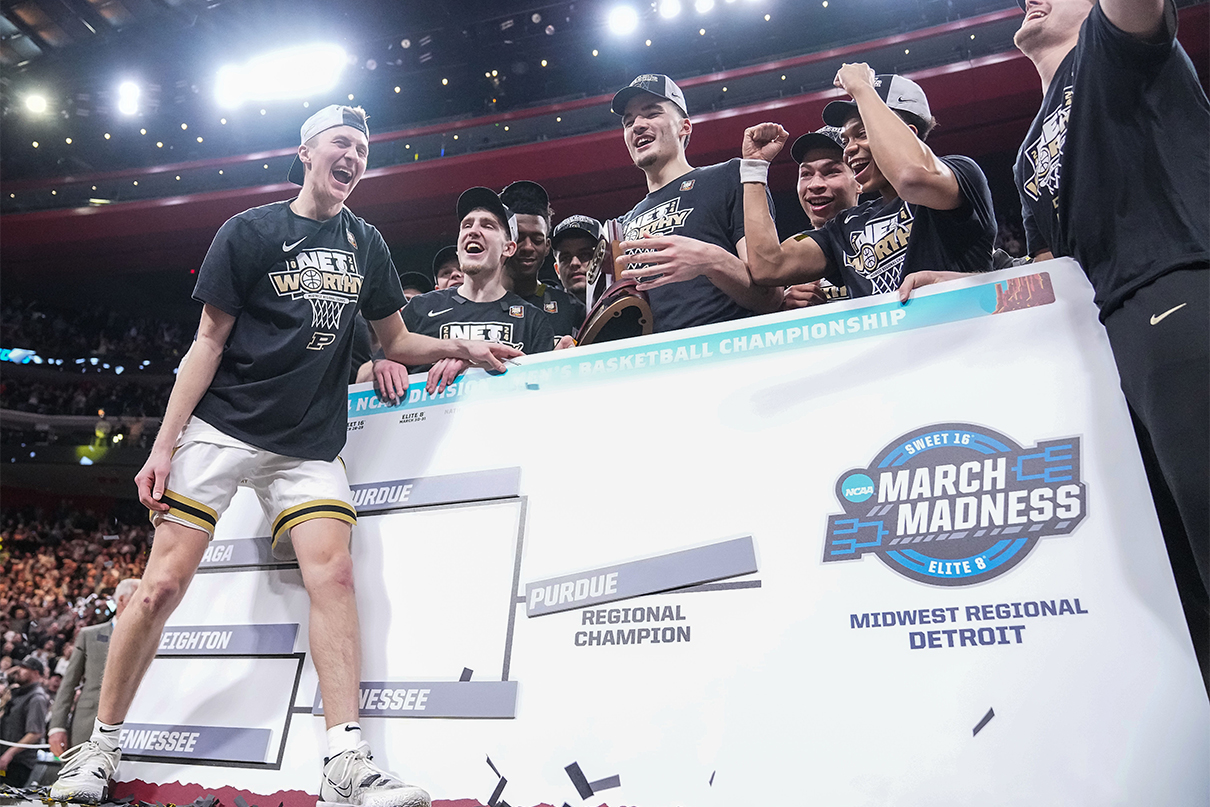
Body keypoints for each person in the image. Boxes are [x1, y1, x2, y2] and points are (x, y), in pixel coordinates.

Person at [49, 104, 519, 805]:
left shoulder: (368, 243)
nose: (354, 156)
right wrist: (163, 444)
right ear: (306, 152)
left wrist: (462, 346)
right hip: (224, 426)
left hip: (306, 442)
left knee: (333, 576)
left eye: (362, 147)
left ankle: (345, 759)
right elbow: (206, 344)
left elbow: (396, 343)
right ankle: (99, 748)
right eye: (341, 143)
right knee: (160, 587)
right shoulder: (250, 230)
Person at [1005, 0, 1208, 684]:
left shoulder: (1111, 43)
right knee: (1176, 582)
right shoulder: (1030, 149)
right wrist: (962, 290)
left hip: (1177, 292)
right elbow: (1051, 274)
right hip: (1109, 351)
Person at [739, 69, 995, 296]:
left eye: (862, 133)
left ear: (909, 133)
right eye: (846, 138)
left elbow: (911, 177)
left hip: (960, 341)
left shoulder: (960, 173)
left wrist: (862, 89)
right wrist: (754, 167)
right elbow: (768, 266)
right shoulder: (843, 227)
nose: (849, 149)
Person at [610, 74, 783, 332]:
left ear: (685, 127)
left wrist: (710, 259)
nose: (637, 125)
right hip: (656, 364)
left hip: (725, 354)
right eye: (628, 121)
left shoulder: (729, 176)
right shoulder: (623, 224)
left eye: (652, 113)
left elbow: (770, 295)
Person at [395, 187, 554, 398]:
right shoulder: (419, 308)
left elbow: (541, 393)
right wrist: (383, 366)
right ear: (459, 247)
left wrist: (470, 367)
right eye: (466, 225)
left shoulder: (533, 320)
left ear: (509, 248)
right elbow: (364, 376)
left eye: (488, 225)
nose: (473, 230)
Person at [47, 579, 139, 756]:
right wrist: (57, 726)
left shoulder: (154, 638)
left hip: (134, 726)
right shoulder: (89, 635)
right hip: (87, 724)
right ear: (122, 600)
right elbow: (69, 683)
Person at [780, 126, 862, 309]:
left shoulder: (891, 234)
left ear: (859, 181)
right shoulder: (785, 259)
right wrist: (781, 306)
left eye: (832, 171)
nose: (815, 185)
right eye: (806, 174)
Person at [499, 181, 586, 345]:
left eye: (537, 240)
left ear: (547, 247)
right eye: (518, 238)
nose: (527, 247)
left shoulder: (571, 308)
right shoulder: (476, 301)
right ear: (503, 241)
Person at [0, 656, 49, 786]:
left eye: (24, 668)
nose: (19, 671)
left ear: (36, 673)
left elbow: (35, 733)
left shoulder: (37, 698)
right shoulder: (18, 692)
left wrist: (8, 754)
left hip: (17, 762)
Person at [550, 215, 603, 307]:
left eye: (585, 255)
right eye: (565, 258)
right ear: (557, 270)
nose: (574, 263)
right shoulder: (543, 316)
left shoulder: (626, 304)